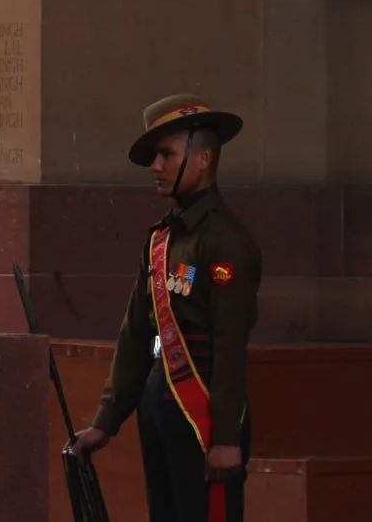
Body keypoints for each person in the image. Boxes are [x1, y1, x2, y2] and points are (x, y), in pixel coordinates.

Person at [71, 94, 264, 522]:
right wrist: (107, 420)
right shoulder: (161, 239)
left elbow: (230, 344)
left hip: (205, 412)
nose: (154, 166)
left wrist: (226, 437)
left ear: (203, 159)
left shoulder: (224, 241)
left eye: (166, 154)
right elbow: (137, 335)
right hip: (158, 399)